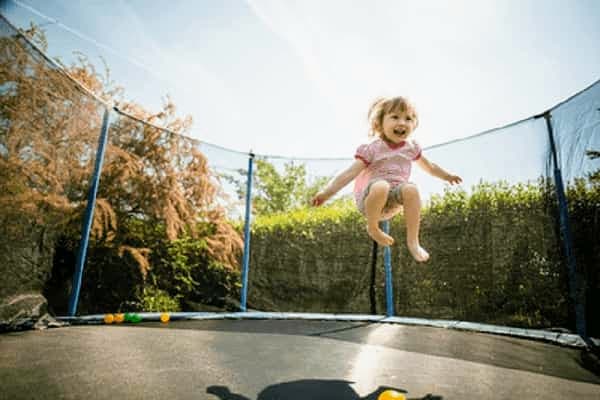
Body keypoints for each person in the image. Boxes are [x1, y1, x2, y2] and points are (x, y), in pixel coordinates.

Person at [311, 96, 462, 262]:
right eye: (395, 117)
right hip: (369, 200)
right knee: (381, 185)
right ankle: (373, 227)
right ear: (379, 123)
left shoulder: (411, 148)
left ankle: (413, 242)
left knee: (411, 188)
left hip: (392, 202)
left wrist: (447, 176)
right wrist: (326, 193)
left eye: (408, 118)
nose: (402, 122)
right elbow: (348, 174)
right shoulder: (372, 149)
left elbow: (430, 167)